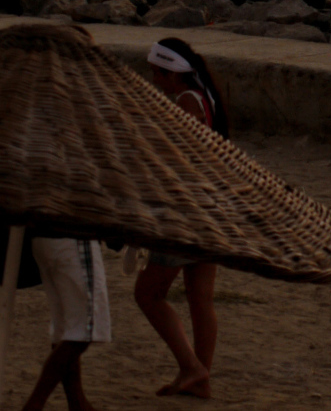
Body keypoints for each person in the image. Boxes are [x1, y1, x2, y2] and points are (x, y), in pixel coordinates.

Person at [133, 38, 229, 399]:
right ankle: (201, 379)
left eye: (156, 74)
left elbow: (178, 160)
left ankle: (191, 367)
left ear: (168, 73)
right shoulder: (207, 100)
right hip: (211, 206)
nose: (155, 80)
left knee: (148, 295)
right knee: (200, 299)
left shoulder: (187, 103)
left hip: (187, 211)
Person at [21, 235, 111, 411]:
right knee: (84, 330)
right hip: (73, 237)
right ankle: (34, 405)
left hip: (45, 239)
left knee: (67, 329)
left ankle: (77, 403)